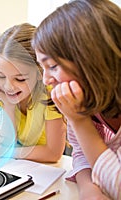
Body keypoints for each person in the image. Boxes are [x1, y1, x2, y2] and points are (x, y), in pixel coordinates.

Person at [32, 0, 120, 199]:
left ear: (91, 59)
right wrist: (89, 187)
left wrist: (79, 120)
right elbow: (80, 153)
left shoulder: (77, 110)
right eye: (42, 67)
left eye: (53, 66)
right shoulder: (83, 100)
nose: (46, 79)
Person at [0, 23, 66, 162]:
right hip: (21, 165)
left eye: (19, 79)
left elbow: (53, 153)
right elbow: (6, 143)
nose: (8, 86)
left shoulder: (50, 94)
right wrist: (8, 105)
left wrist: (10, 153)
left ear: (40, 72)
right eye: (1, 76)